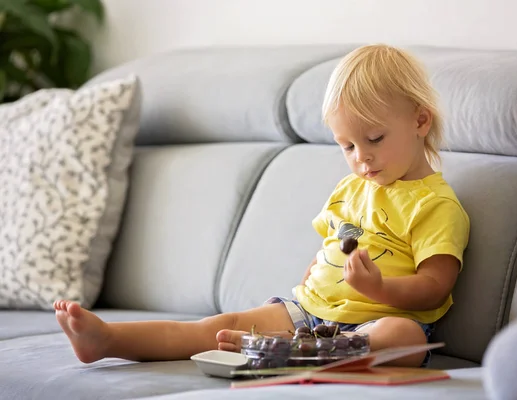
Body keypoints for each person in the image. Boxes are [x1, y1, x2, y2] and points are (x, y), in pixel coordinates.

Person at [53, 44, 470, 368]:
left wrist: (378, 288)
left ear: (420, 121)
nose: (361, 157)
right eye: (347, 145)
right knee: (219, 326)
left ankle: (291, 352)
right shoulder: (350, 188)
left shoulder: (436, 204)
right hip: (310, 312)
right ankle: (109, 340)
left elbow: (435, 286)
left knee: (405, 339)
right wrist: (316, 273)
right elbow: (331, 247)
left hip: (374, 324)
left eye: (374, 139)